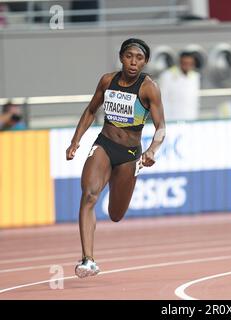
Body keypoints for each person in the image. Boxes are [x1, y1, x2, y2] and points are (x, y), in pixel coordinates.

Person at [66, 38, 165, 278]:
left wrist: (152, 150)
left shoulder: (148, 87)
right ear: (121, 57)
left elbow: (161, 126)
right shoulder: (107, 81)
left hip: (130, 155)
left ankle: (90, 255)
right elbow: (91, 110)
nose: (133, 62)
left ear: (145, 62)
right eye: (129, 56)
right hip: (104, 144)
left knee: (116, 214)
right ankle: (88, 260)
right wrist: (75, 141)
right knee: (89, 194)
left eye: (139, 58)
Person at [158, 51, 200, 121]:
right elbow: (162, 99)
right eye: (185, 63)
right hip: (171, 119)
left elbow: (194, 101)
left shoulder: (195, 76)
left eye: (190, 63)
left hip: (191, 119)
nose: (187, 66)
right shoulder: (168, 75)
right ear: (180, 62)